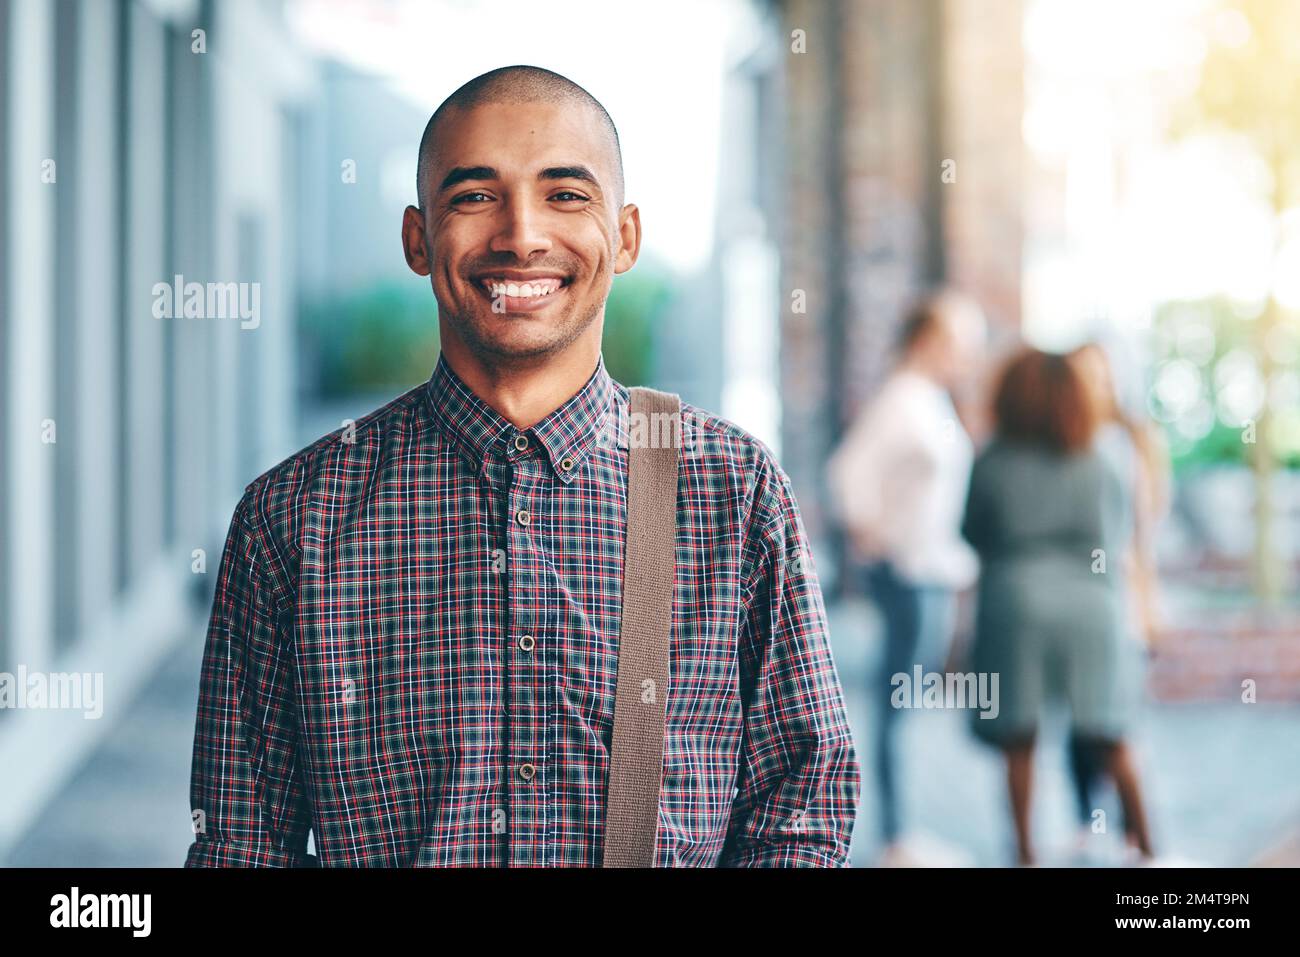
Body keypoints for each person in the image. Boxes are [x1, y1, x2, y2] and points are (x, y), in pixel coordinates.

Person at [185, 65, 860, 867]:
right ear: (416, 237)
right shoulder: (293, 517)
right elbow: (238, 845)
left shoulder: (731, 490)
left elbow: (803, 802)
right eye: (475, 195)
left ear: (627, 236)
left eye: (566, 194)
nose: (521, 235)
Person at [961, 348, 1154, 866]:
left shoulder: (993, 459)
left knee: (1017, 738)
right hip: (1094, 607)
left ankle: (1025, 854)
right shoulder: (1105, 456)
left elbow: (972, 532)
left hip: (1014, 603)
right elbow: (1119, 534)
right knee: (1110, 730)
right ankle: (1149, 849)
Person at [827, 291, 986, 865]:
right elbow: (847, 474)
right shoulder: (902, 400)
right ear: (929, 340)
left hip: (930, 571)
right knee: (899, 705)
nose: (968, 356)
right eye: (960, 343)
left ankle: (904, 831)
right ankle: (897, 838)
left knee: (909, 705)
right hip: (910, 575)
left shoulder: (929, 399)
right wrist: (873, 535)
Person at [1064, 341, 1169, 856]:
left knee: (1114, 719)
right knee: (1080, 719)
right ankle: (1089, 823)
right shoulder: (1061, 441)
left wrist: (1147, 606)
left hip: (1119, 598)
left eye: (1098, 376)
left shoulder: (1127, 444)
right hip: (1075, 601)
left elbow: (1142, 535)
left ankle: (1143, 842)